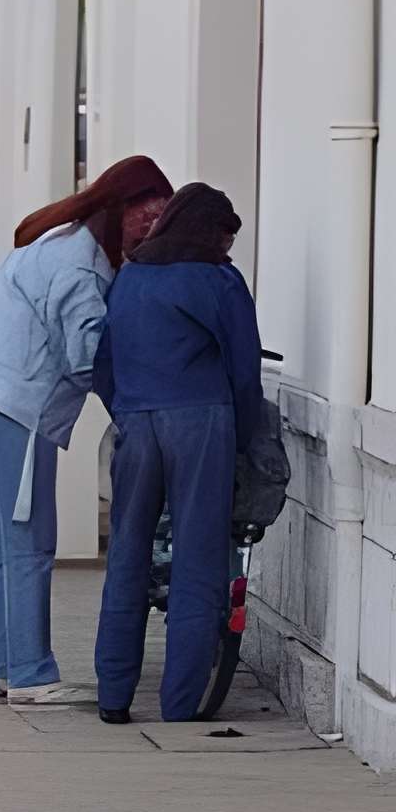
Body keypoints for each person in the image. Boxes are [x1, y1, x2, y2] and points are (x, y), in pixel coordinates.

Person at [0, 155, 175, 706]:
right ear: (120, 207)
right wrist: (139, 411)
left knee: (0, 538)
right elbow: (88, 357)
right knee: (31, 541)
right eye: (149, 215)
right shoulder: (80, 268)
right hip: (15, 403)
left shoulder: (64, 242)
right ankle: (30, 675)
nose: (154, 228)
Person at [94, 184, 266, 724]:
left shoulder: (130, 275)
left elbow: (103, 362)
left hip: (136, 422)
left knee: (126, 553)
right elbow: (244, 369)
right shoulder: (218, 279)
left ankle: (114, 697)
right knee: (198, 558)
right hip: (202, 420)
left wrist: (126, 411)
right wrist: (246, 440)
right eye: (225, 235)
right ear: (210, 231)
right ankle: (180, 702)